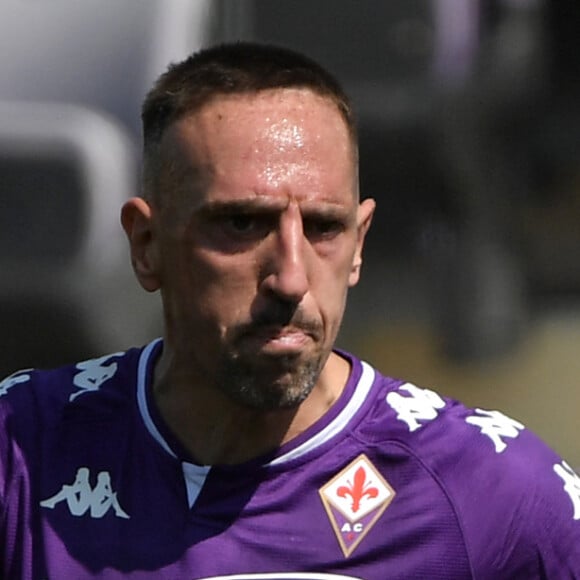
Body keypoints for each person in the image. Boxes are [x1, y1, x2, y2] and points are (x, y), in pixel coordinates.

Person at [1, 41, 579, 580]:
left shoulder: (490, 490)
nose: (291, 278)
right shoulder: (21, 450)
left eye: (325, 227)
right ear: (147, 245)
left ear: (359, 244)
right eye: (241, 224)